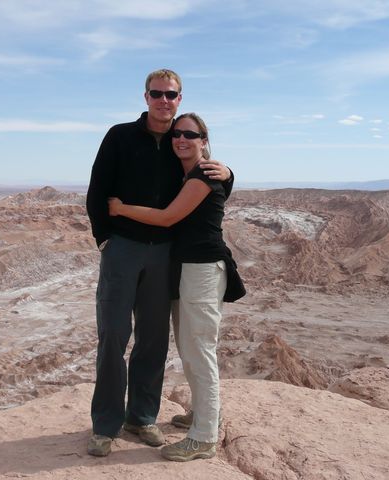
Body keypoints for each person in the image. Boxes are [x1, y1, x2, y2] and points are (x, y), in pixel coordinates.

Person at [85, 69, 232, 457]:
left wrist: (230, 172)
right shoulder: (120, 136)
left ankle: (142, 417)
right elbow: (97, 189)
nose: (163, 100)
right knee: (113, 335)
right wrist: (104, 239)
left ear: (179, 99)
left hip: (164, 252)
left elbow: (208, 180)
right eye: (157, 93)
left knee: (153, 338)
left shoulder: (179, 140)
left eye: (170, 94)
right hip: (122, 249)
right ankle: (105, 425)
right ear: (146, 96)